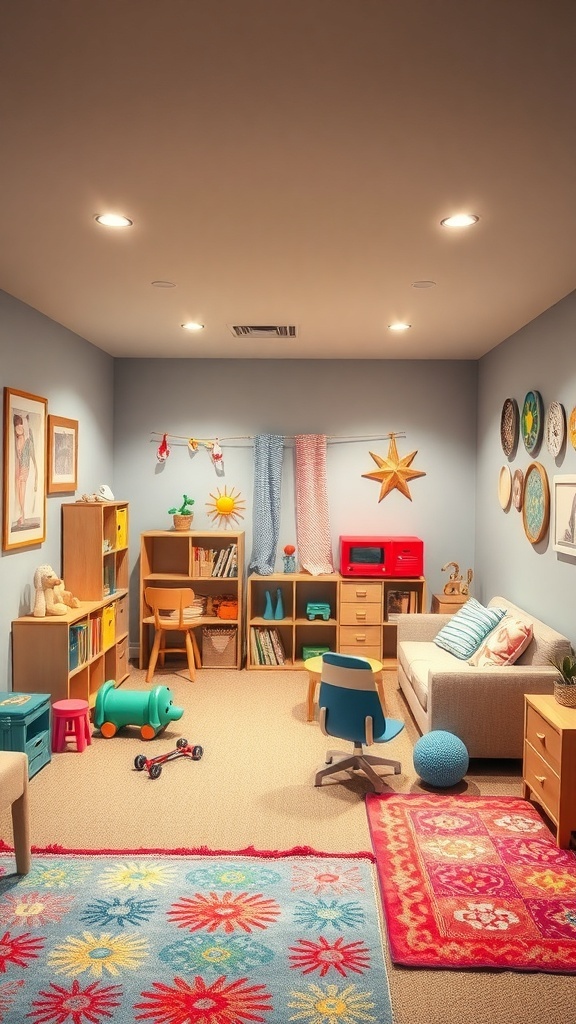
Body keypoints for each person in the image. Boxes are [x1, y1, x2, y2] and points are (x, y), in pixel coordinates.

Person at [13, 413, 38, 526]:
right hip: (21, 465)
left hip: (24, 466)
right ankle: (21, 514)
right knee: (20, 488)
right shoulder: (22, 437)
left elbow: (29, 454)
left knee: (21, 488)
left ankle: (22, 514)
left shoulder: (26, 437)